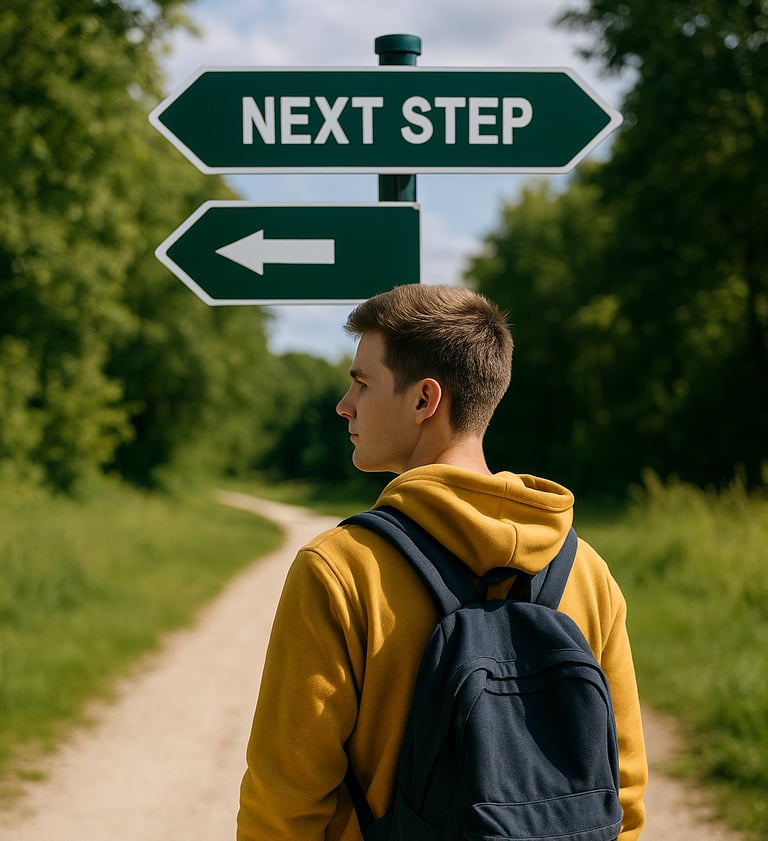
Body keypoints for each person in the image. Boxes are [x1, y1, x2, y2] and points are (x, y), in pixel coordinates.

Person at [237, 283, 647, 841]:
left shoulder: (341, 569)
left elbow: (285, 799)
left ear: (425, 401)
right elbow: (621, 790)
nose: (344, 404)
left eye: (362, 383)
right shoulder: (584, 570)